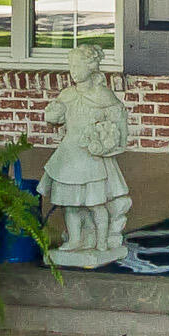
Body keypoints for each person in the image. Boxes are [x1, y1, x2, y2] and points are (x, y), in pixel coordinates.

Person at [39, 44, 133, 266]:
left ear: (90, 67)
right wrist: (53, 113)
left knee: (95, 202)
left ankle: (101, 240)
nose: (72, 70)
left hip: (91, 157)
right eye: (70, 65)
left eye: (77, 65)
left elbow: (119, 119)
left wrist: (112, 142)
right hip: (70, 156)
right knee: (70, 204)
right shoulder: (68, 95)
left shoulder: (102, 95)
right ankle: (75, 240)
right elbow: (55, 117)